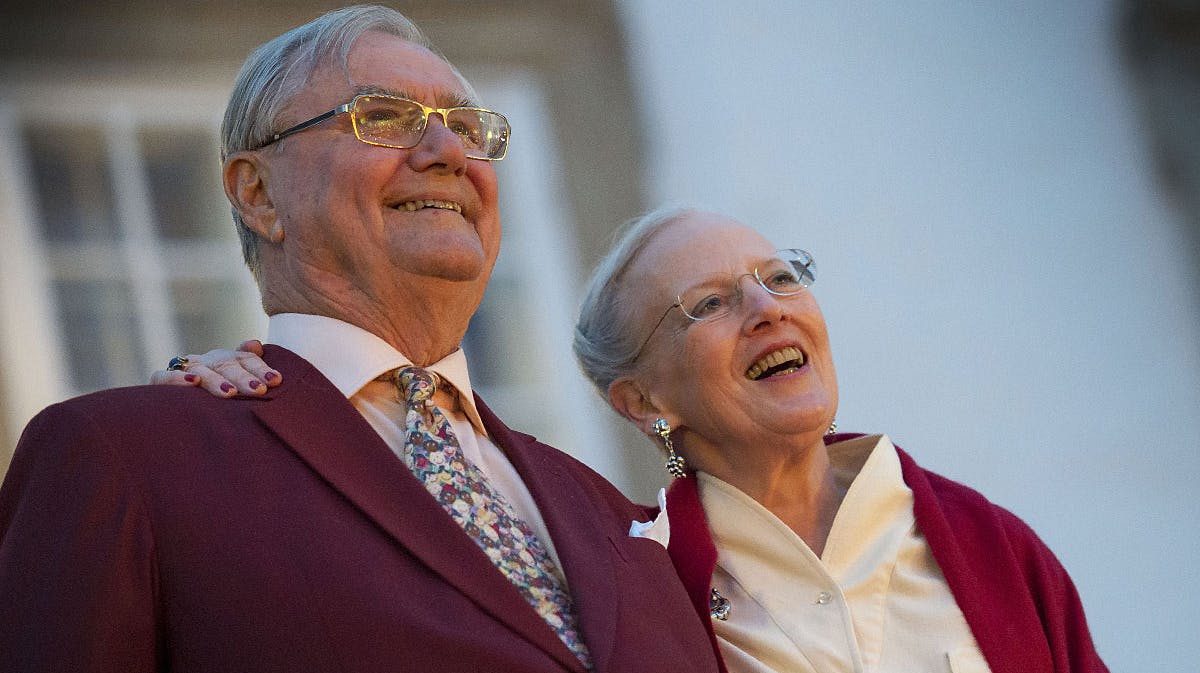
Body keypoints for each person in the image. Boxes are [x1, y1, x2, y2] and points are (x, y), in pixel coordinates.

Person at [0, 7, 718, 673]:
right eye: (384, 117)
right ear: (258, 194)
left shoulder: (609, 511)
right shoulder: (127, 458)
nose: (447, 150)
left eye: (468, 128)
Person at [176, 206, 1110, 673]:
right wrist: (252, 387)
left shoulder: (992, 544)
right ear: (642, 400)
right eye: (707, 304)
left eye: (781, 276)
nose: (766, 308)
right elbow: (404, 527)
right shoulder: (625, 576)